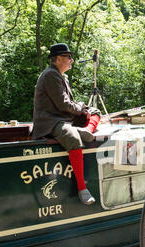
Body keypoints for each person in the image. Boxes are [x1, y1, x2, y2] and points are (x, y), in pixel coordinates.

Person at [32, 43, 101, 204]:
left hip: (63, 117)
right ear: (58, 59)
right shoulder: (50, 75)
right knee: (72, 137)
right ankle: (82, 188)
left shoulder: (59, 75)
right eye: (68, 57)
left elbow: (68, 104)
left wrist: (83, 109)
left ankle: (87, 131)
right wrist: (80, 108)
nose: (72, 60)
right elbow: (63, 104)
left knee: (95, 112)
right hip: (50, 121)